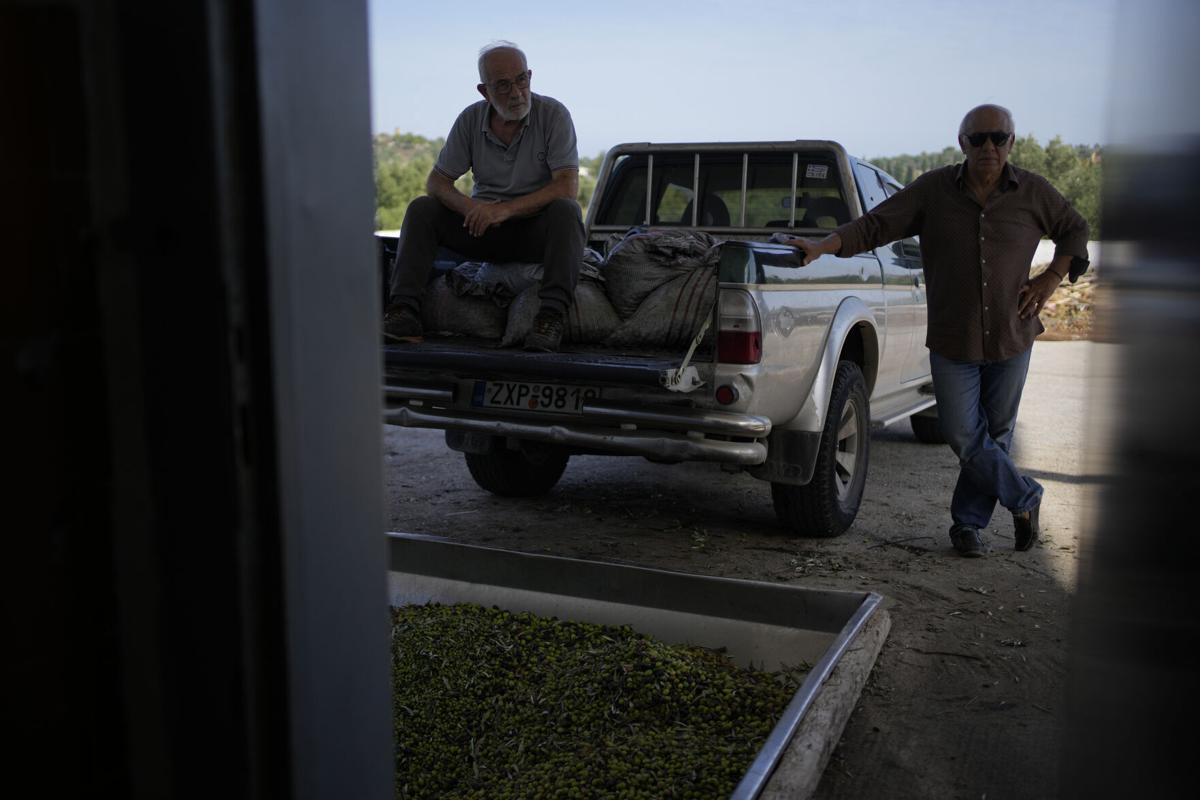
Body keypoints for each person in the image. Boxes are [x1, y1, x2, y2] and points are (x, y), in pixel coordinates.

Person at [775, 104, 1089, 557]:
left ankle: (967, 526)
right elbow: (875, 225)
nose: (988, 147)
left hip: (1011, 333)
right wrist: (823, 245)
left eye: (998, 138)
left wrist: (1051, 278)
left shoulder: (1033, 192)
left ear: (1011, 143)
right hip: (952, 338)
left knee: (995, 436)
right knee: (964, 435)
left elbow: (1075, 229)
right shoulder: (934, 190)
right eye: (977, 138)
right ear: (961, 143)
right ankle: (1024, 496)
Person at [382, 41, 583, 351]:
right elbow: (436, 182)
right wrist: (472, 207)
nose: (516, 92)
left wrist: (504, 210)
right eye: (502, 85)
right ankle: (403, 312)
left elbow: (567, 186)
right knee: (422, 209)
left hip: (533, 232)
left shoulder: (553, 115)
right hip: (482, 230)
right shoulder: (470, 120)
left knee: (566, 212)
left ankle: (550, 318)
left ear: (530, 76)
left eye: (521, 80)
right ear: (484, 91)